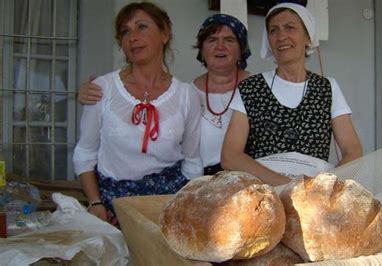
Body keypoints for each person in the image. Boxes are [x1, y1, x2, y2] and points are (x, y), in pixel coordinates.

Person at [73, 2, 202, 224]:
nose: (132, 37)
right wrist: (96, 204)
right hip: (112, 206)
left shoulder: (186, 95)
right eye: (125, 31)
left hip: (168, 202)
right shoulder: (102, 89)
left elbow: (192, 161)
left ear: (164, 33)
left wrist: (185, 209)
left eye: (142, 27)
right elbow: (85, 153)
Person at [78, 13, 251, 175]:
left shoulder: (259, 88)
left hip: (248, 179)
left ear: (241, 48)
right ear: (201, 50)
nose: (220, 47)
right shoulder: (189, 92)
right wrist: (87, 93)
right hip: (200, 180)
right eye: (212, 40)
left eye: (229, 40)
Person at [221, 2, 363, 186]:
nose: (281, 36)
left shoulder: (327, 88)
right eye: (273, 30)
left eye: (290, 27)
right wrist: (288, 185)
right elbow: (230, 156)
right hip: (264, 192)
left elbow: (353, 150)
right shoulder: (250, 88)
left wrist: (323, 187)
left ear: (308, 37)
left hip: (312, 195)